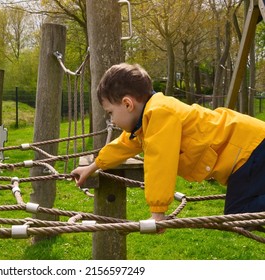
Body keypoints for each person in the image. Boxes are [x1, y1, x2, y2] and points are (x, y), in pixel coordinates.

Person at [71, 62, 265, 223]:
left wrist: (157, 213)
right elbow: (123, 145)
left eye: (110, 113)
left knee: (240, 215)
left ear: (128, 104)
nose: (112, 121)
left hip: (251, 150)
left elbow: (160, 162)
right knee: (242, 215)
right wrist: (92, 167)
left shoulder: (160, 114)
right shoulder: (147, 119)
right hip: (248, 151)